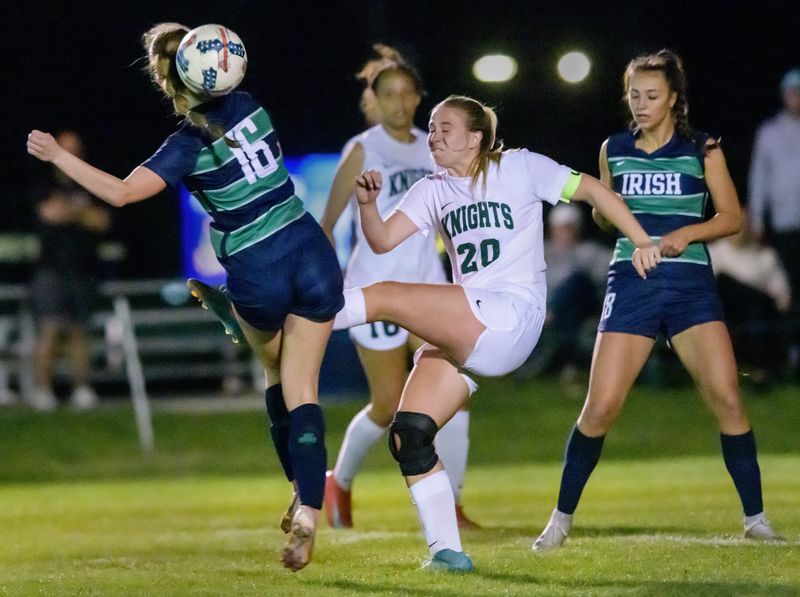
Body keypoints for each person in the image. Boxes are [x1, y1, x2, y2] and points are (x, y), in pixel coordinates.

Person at [26, 23, 342, 572]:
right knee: (305, 386)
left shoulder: (186, 145)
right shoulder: (248, 101)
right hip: (311, 250)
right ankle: (311, 508)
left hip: (257, 267)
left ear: (162, 76)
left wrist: (57, 155)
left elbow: (122, 194)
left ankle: (296, 481)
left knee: (277, 378)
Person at [330, 94, 661, 571]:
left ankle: (284, 314)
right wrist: (366, 204)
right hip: (472, 328)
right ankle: (446, 552)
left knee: (384, 296)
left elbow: (593, 190)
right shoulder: (432, 189)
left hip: (511, 316)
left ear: (476, 137)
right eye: (433, 127)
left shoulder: (520, 166)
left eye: (445, 127)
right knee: (409, 435)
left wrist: (641, 240)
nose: (435, 136)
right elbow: (381, 240)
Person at [533, 50, 782, 551]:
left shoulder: (703, 147)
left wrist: (682, 235)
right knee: (600, 407)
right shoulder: (614, 148)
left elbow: (731, 217)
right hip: (632, 281)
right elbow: (604, 214)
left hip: (690, 285)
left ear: (673, 97)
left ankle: (756, 519)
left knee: (729, 399)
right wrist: (625, 228)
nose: (641, 104)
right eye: (634, 95)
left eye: (651, 95)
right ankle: (559, 520)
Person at [318, 45, 477, 530]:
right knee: (389, 406)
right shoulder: (364, 149)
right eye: (389, 94)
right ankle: (338, 482)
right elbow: (328, 223)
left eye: (408, 94)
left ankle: (453, 504)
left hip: (427, 286)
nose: (400, 102)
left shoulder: (434, 150)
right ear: (375, 99)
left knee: (455, 388)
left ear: (419, 99)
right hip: (376, 289)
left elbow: (449, 216)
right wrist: (321, 278)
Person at [28, 130, 110, 411]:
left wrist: (72, 212)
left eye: (76, 149)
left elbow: (101, 220)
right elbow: (51, 214)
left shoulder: (91, 181)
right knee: (49, 330)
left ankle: (82, 390)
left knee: (79, 332)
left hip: (83, 269)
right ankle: (42, 391)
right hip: (51, 269)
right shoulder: (45, 182)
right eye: (66, 149)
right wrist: (79, 213)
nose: (71, 154)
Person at [748, 68, 800, 377]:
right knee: (785, 290)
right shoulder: (769, 132)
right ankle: (787, 356)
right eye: (791, 92)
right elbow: (759, 178)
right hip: (784, 225)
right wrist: (756, 217)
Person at [524, 203, 611, 385]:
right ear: (552, 228)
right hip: (548, 310)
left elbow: (611, 272)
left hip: (584, 308)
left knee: (576, 282)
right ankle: (568, 365)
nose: (566, 233)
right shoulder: (539, 253)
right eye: (562, 228)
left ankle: (561, 361)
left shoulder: (590, 251)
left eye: (570, 228)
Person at [709, 210, 791, 388]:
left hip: (757, 313)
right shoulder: (716, 253)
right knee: (723, 281)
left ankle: (759, 373)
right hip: (725, 312)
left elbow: (782, 296)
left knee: (757, 307)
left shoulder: (765, 257)